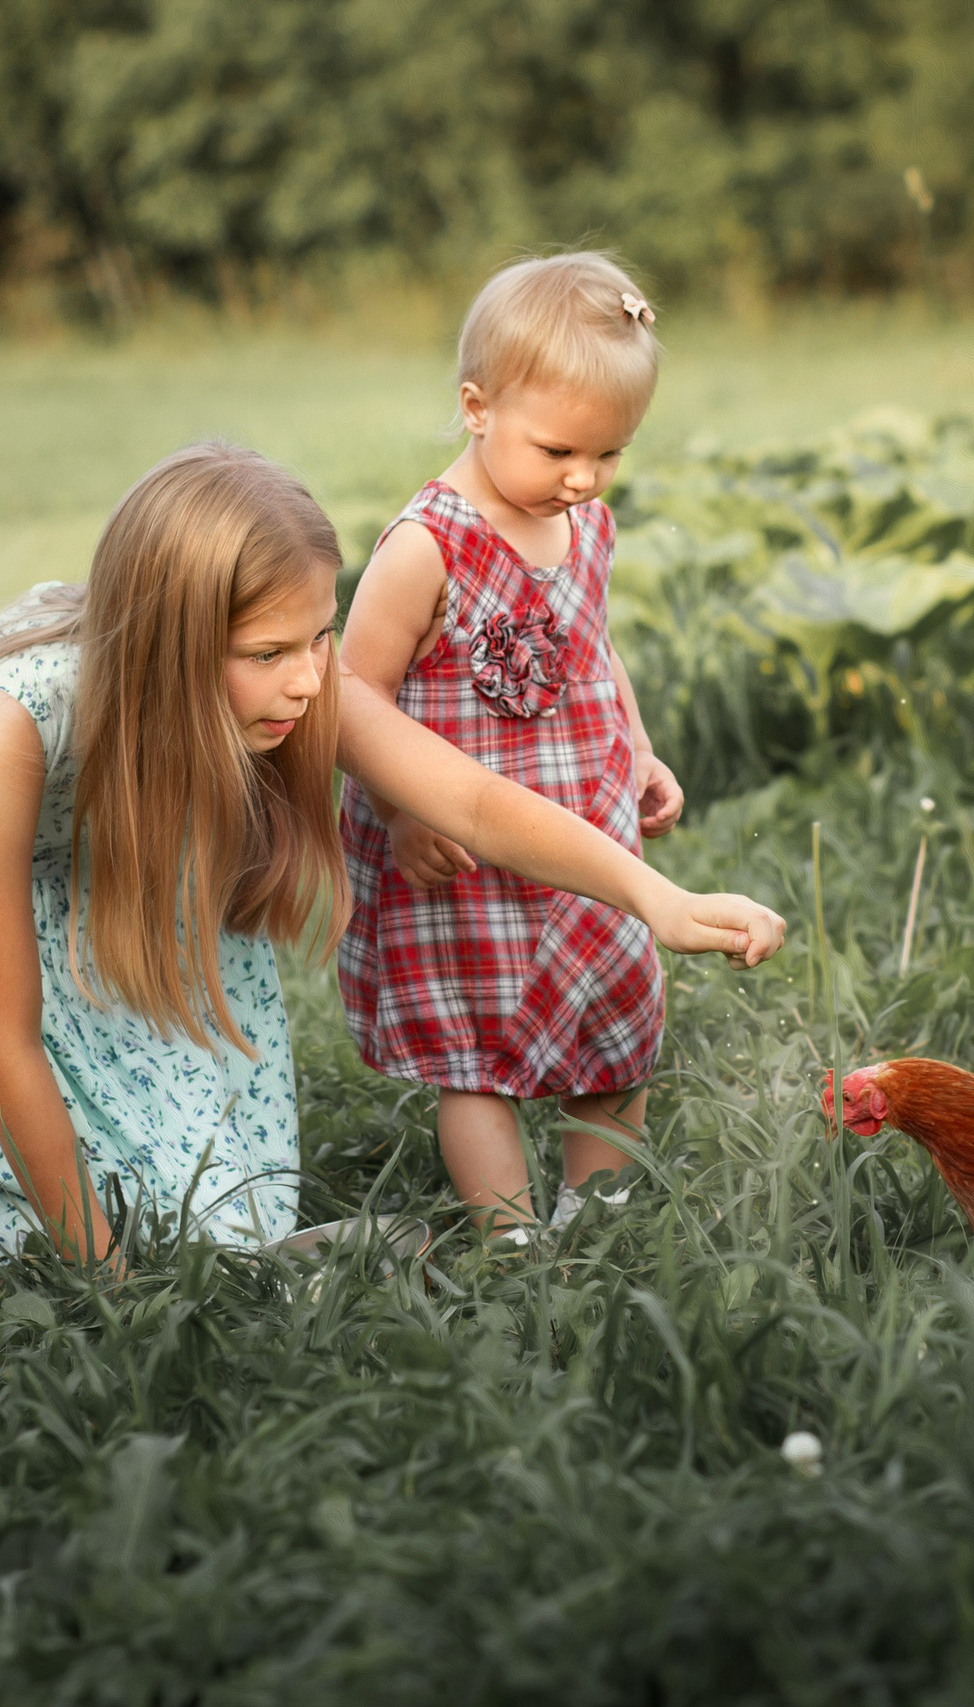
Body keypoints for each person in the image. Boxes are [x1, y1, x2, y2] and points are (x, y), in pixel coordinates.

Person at [0, 442, 782, 1262]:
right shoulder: (5, 729)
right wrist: (111, 1294)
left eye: (321, 635)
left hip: (119, 828)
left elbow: (466, 796)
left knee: (198, 1202)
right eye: (268, 654)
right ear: (173, 650)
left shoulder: (300, 681)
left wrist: (655, 897)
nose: (309, 679)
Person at [337, 250, 685, 1238]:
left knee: (616, 1034)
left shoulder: (585, 528)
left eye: (609, 455)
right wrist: (402, 813)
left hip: (585, 834)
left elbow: (592, 649)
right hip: (461, 857)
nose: (583, 479)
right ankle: (513, 1238)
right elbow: (354, 695)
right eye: (559, 452)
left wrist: (642, 750)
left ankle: (598, 1214)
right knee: (475, 1054)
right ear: (477, 406)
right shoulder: (428, 546)